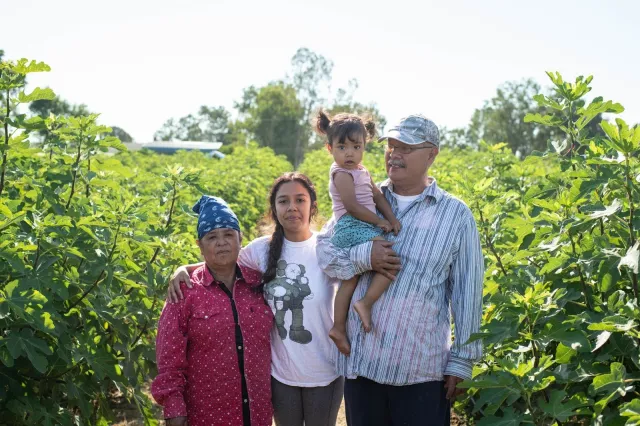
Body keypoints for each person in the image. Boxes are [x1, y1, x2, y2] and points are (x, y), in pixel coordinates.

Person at [316, 114, 484, 426]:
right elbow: (325, 254)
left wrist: (462, 361)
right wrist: (365, 256)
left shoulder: (456, 215)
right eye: (391, 146)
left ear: (431, 154)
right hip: (363, 366)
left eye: (405, 147)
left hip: (419, 372)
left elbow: (467, 292)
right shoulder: (362, 193)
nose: (394, 153)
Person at [167, 173, 344, 426]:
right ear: (274, 209)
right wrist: (184, 268)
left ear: (312, 206)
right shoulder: (261, 250)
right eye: (283, 201)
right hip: (280, 375)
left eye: (300, 200)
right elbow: (222, 261)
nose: (292, 207)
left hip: (324, 370)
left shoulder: (327, 248)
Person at [151, 195, 273, 426]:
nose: (222, 242)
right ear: (199, 245)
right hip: (207, 415)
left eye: (228, 234)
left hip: (258, 414)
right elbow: (169, 360)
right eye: (211, 237)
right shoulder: (184, 292)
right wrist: (175, 411)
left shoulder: (259, 285)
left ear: (240, 238)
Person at [314, 110, 400, 356]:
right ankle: (365, 303)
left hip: (362, 226)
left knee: (350, 279)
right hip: (350, 226)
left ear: (365, 146)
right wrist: (379, 222)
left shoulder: (362, 171)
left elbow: (377, 196)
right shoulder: (340, 174)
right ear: (330, 149)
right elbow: (351, 207)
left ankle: (338, 327)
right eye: (342, 147)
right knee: (390, 260)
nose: (349, 153)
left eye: (356, 146)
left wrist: (391, 217)